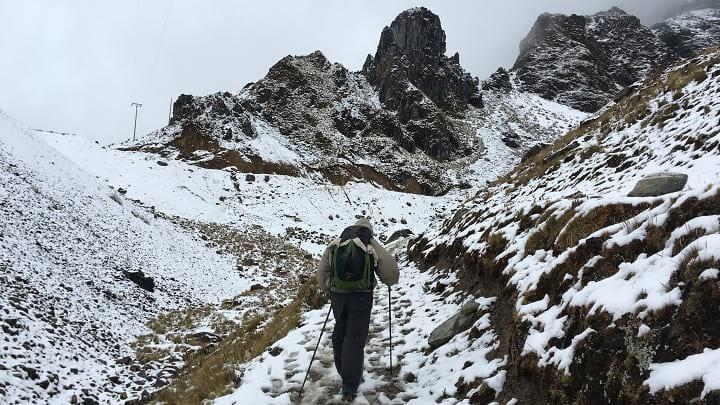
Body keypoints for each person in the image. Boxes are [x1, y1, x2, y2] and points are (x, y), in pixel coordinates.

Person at [316, 217, 399, 399]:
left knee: (340, 331)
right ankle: (350, 383)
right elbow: (391, 273)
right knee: (355, 337)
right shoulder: (370, 243)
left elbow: (321, 273)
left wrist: (332, 286)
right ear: (368, 231)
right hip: (361, 296)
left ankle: (344, 371)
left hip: (338, 296)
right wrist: (386, 281)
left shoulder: (338, 243)